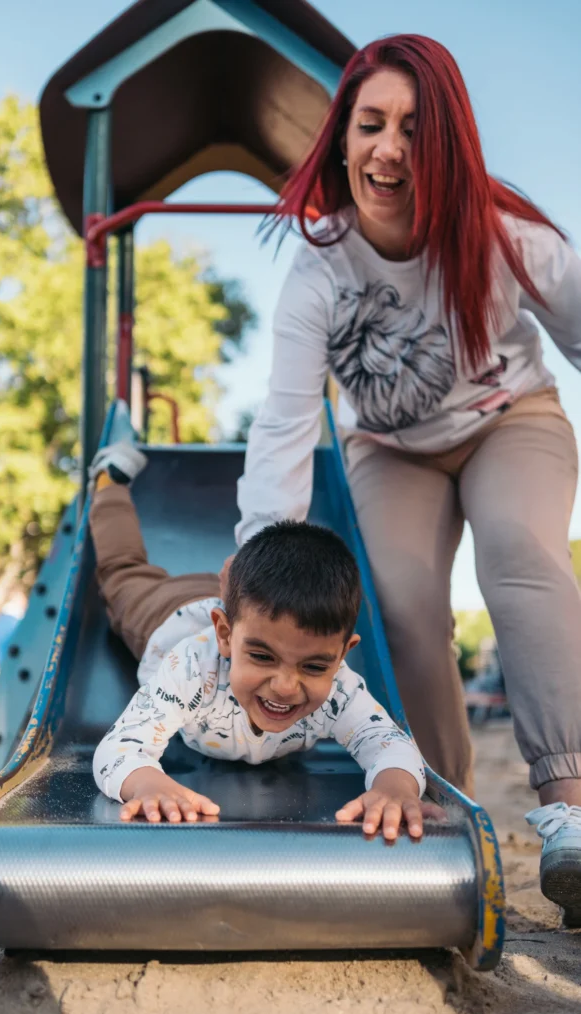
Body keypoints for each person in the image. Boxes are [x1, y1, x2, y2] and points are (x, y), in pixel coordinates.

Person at [234, 34, 581, 917]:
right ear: (342, 141)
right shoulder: (319, 269)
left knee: (515, 549)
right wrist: (252, 565)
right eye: (370, 124)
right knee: (397, 598)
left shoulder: (504, 234)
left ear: (447, 146)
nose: (388, 148)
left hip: (511, 423)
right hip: (390, 449)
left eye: (414, 130)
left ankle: (569, 810)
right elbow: (283, 420)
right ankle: (442, 805)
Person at [89, 440, 432, 839]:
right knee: (120, 573)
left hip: (248, 612)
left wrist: (394, 787)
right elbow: (118, 748)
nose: (285, 686)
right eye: (262, 658)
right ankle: (108, 482)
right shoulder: (192, 667)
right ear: (224, 636)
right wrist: (148, 784)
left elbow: (386, 741)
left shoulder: (339, 687)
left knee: (266, 623)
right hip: (168, 612)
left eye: (314, 666)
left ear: (343, 654)